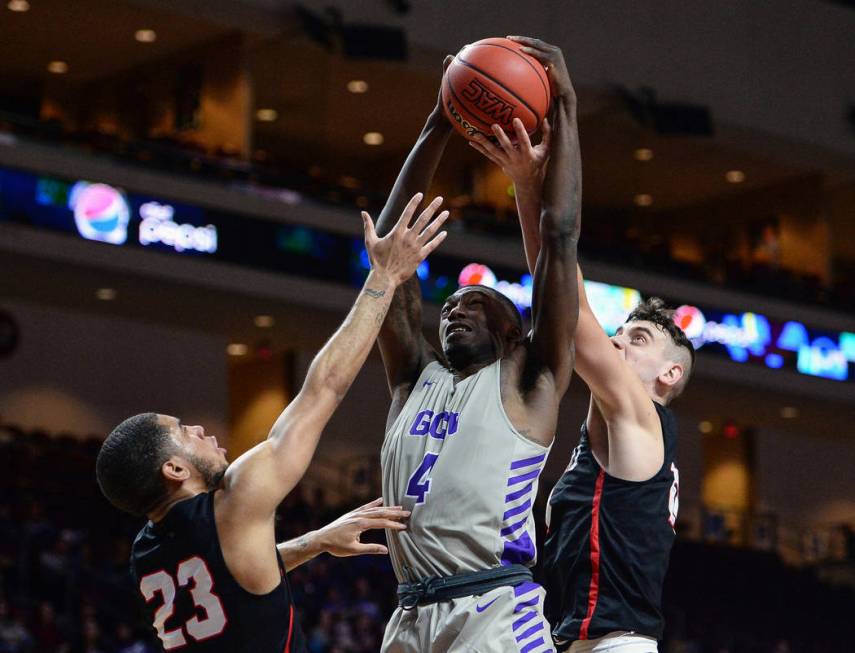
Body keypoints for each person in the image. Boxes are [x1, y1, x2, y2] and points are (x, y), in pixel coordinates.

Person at [95, 194, 450, 653]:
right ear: (175, 470)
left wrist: (316, 542)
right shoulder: (235, 500)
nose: (201, 431)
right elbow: (323, 390)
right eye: (184, 432)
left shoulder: (147, 553)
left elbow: (239, 575)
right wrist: (383, 277)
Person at [471, 36, 695, 653]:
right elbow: (559, 303)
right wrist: (522, 186)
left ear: (669, 376)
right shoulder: (613, 435)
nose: (619, 342)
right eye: (621, 331)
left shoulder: (642, 415)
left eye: (639, 338)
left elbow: (570, 314)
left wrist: (532, 177)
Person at [375, 41, 581, 653]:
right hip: (409, 615)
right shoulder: (415, 378)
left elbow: (560, 235)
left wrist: (565, 104)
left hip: (492, 613)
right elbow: (391, 246)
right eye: (449, 307)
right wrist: (439, 120)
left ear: (514, 330)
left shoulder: (531, 379)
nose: (455, 311)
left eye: (476, 304)